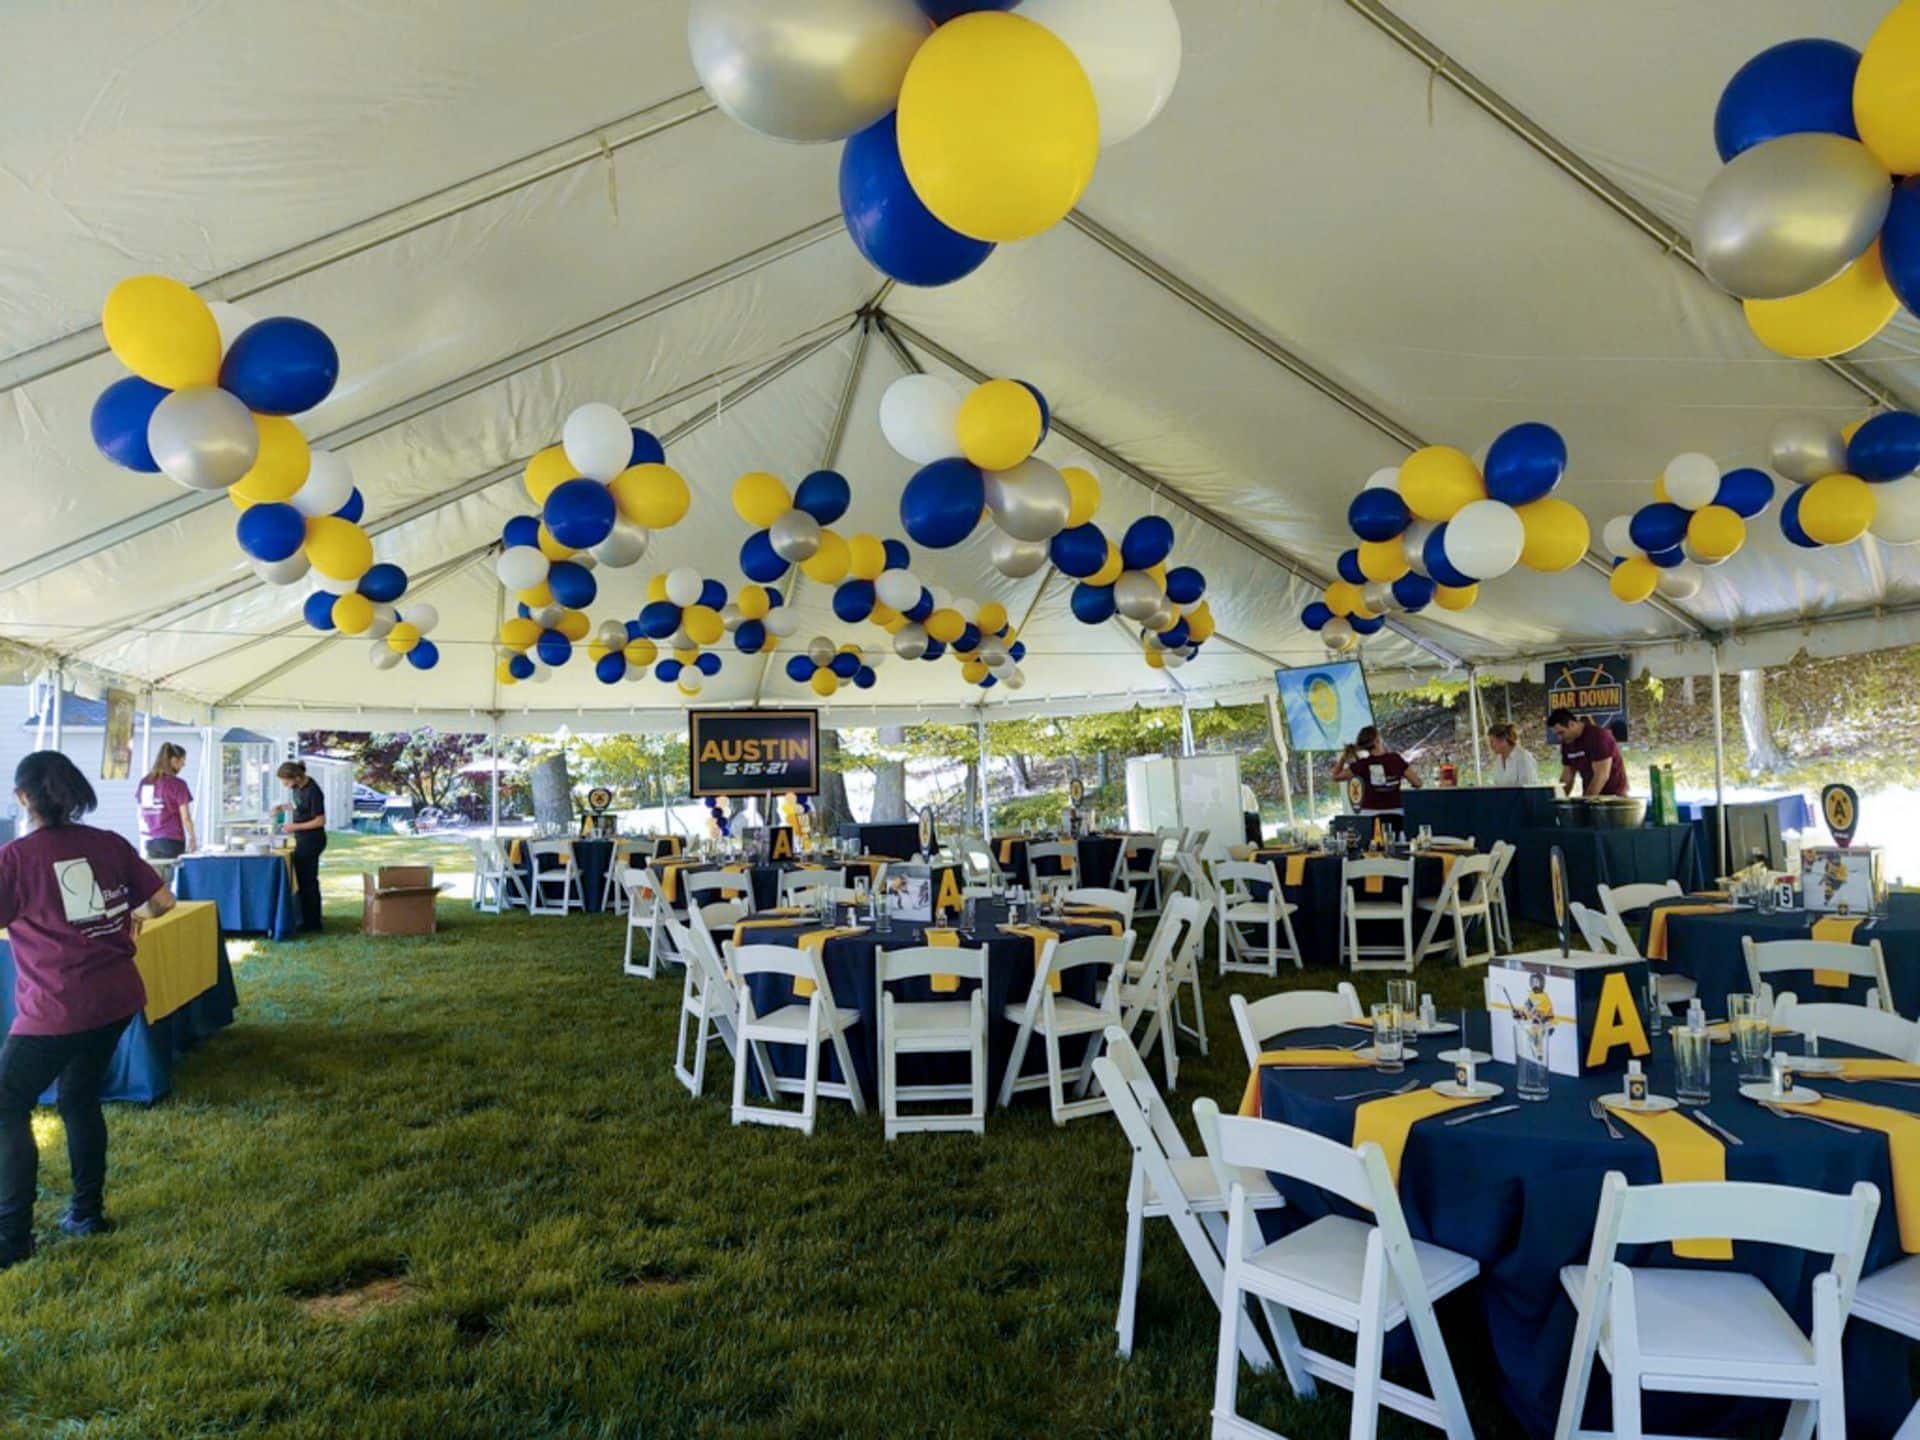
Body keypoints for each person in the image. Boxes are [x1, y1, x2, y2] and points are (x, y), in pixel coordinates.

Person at [0, 751, 174, 1265]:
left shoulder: (15, 858)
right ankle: (87, 1212)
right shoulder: (109, 843)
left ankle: (11, 1239)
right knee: (78, 1096)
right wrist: (130, 918)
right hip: (116, 997)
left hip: (58, 1005)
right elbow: (162, 902)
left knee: (7, 1104)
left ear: (23, 798)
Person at [276, 760, 327, 933]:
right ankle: (304, 917)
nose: (285, 786)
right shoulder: (297, 789)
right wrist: (283, 808)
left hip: (312, 839)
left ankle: (313, 923)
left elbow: (320, 820)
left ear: (297, 777)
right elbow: (299, 805)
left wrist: (294, 827)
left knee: (308, 881)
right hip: (302, 838)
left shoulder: (313, 791)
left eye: (286, 782)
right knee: (302, 879)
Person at [1331, 726, 1422, 815]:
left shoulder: (1362, 765)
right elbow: (1417, 782)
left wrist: (1344, 756)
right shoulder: (1395, 759)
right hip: (1394, 811)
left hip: (1369, 812)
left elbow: (1335, 776)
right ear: (1377, 740)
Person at [135, 742, 196, 860]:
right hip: (171, 840)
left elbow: (144, 810)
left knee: (155, 877)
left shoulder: (145, 782)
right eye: (182, 761)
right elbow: (186, 817)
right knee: (172, 877)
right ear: (173, 760)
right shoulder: (178, 784)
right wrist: (192, 837)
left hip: (151, 840)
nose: (184, 765)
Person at [1549, 708, 1629, 797]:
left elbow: (1602, 775)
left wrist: (1586, 802)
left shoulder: (1598, 737)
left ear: (1572, 724)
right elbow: (1567, 776)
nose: (1559, 738)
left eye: (1561, 733)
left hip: (1614, 797)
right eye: (1556, 734)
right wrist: (1559, 800)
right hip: (1591, 797)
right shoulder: (1567, 742)